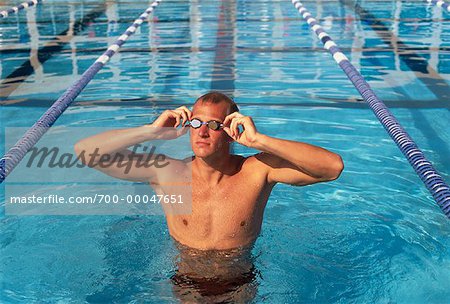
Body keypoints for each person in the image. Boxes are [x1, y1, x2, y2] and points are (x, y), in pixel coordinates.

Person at [74, 91, 344, 302]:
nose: (201, 132)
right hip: (186, 284)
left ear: (230, 132)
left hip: (240, 285)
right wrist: (151, 131)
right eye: (196, 123)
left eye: (213, 124)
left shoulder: (256, 171)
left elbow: (332, 168)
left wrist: (260, 140)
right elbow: (85, 151)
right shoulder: (167, 172)